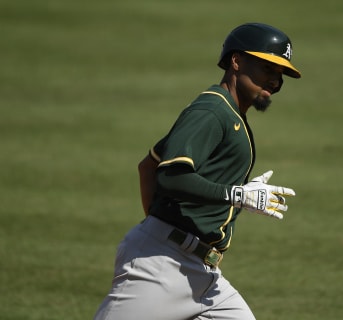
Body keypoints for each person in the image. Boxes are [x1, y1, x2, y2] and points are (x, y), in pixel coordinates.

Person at [93, 22, 301, 320]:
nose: (275, 82)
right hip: (162, 267)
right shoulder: (211, 111)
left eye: (280, 75)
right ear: (237, 61)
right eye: (268, 68)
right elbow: (171, 175)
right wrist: (234, 195)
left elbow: (149, 165)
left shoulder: (229, 114)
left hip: (204, 275)